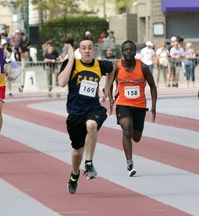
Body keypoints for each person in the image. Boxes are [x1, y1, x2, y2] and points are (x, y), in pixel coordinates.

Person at [58, 36, 115, 194]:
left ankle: (89, 163)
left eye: (90, 47)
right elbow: (62, 82)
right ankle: (74, 175)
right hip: (75, 113)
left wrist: (107, 88)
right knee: (77, 151)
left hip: (93, 108)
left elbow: (113, 69)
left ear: (94, 49)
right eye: (84, 48)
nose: (87, 51)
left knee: (92, 125)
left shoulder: (99, 65)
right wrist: (70, 60)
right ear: (79, 50)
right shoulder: (73, 64)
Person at [111, 40, 157, 177]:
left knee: (136, 137)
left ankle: (130, 136)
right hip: (123, 104)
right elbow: (110, 82)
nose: (129, 52)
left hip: (139, 106)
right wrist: (109, 96)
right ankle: (129, 162)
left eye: (131, 49)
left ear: (135, 52)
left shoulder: (142, 67)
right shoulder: (117, 67)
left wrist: (153, 107)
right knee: (126, 130)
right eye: (126, 50)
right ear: (122, 52)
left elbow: (153, 86)